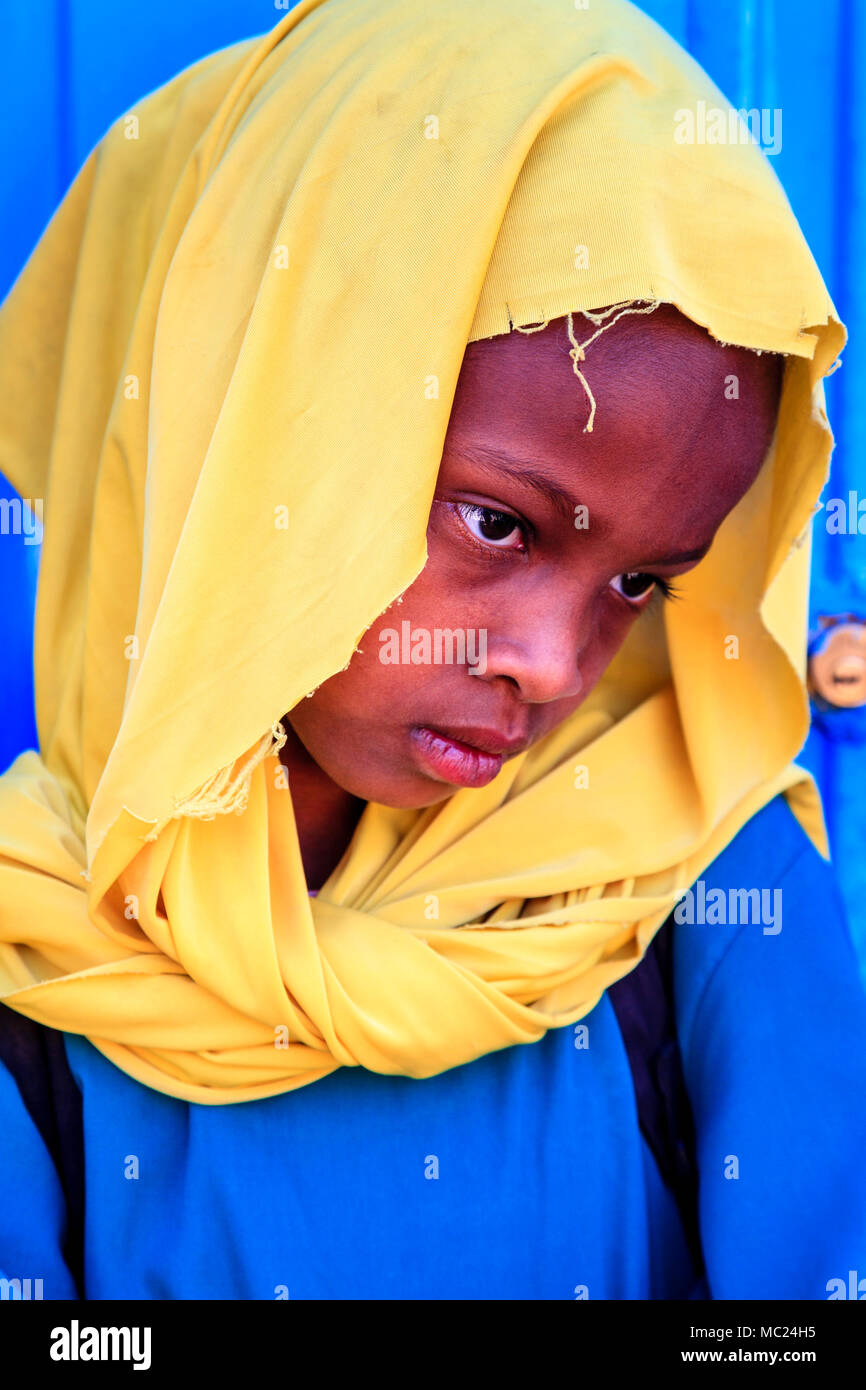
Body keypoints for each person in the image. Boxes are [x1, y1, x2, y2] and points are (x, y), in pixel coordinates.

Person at [0, 0, 864, 1301]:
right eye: (497, 521)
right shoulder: (37, 944)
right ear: (248, 421)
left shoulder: (700, 887)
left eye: (640, 578)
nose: (556, 666)